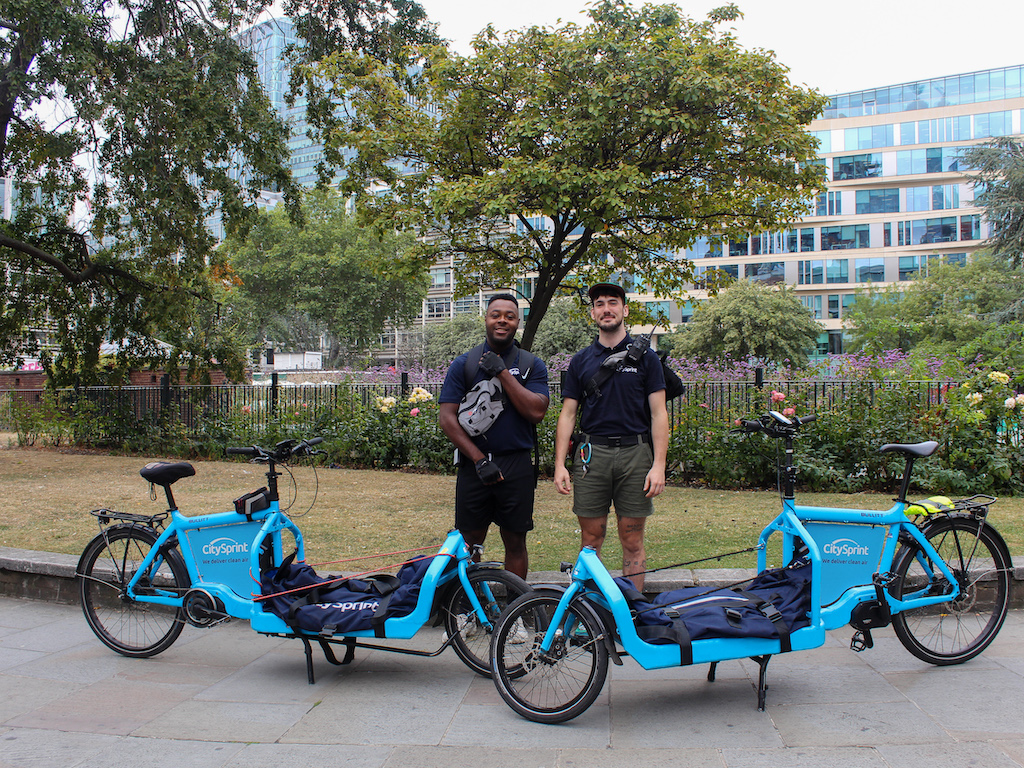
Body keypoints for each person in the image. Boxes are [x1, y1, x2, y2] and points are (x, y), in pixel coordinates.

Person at [553, 283, 668, 591]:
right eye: (600, 304)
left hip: (636, 456)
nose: (606, 309)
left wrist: (659, 465)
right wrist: (560, 464)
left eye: (613, 303)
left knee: (632, 540)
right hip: (592, 457)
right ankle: (592, 613)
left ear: (624, 310)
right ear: (593, 313)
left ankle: (631, 610)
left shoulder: (647, 359)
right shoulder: (580, 361)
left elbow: (659, 414)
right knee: (591, 541)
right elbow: (568, 414)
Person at [438, 294, 550, 578]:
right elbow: (447, 418)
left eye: (509, 316)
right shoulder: (464, 364)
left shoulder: (530, 365)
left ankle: (516, 612)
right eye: (495, 314)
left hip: (516, 464)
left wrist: (502, 373)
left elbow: (537, 412)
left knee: (515, 541)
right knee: (469, 544)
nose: (502, 320)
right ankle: (469, 610)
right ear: (486, 319)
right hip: (474, 466)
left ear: (517, 323)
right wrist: (478, 460)